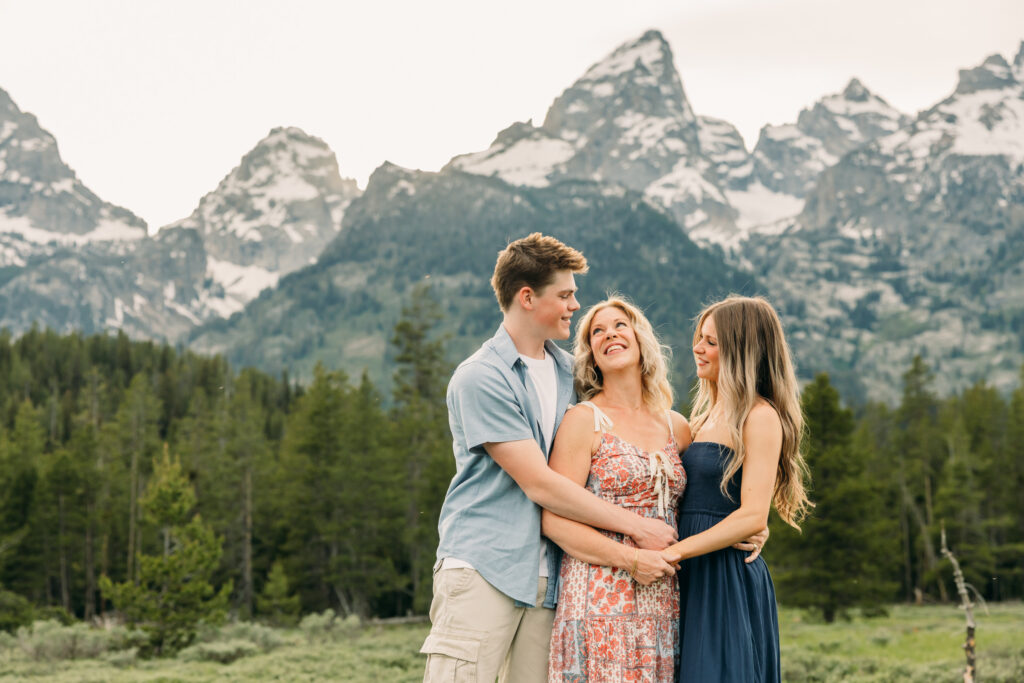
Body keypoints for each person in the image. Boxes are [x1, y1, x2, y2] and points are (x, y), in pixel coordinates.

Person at [420, 235, 677, 683]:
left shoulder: (567, 374)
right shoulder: (481, 377)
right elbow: (538, 483)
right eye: (565, 295)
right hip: (485, 567)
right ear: (526, 297)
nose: (575, 305)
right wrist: (636, 531)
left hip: (550, 582)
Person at [542, 296, 768, 682]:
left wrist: (751, 525)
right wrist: (629, 559)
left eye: (619, 326)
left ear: (641, 339)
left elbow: (708, 488)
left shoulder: (677, 426)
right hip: (598, 598)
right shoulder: (583, 421)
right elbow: (554, 521)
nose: (609, 334)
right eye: (597, 331)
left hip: (666, 601)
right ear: (592, 355)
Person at [661, 295, 812, 683]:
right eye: (699, 338)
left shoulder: (760, 417)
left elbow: (752, 515)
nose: (698, 348)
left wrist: (674, 552)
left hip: (723, 578)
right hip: (691, 573)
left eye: (711, 342)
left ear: (741, 350)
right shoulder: (705, 414)